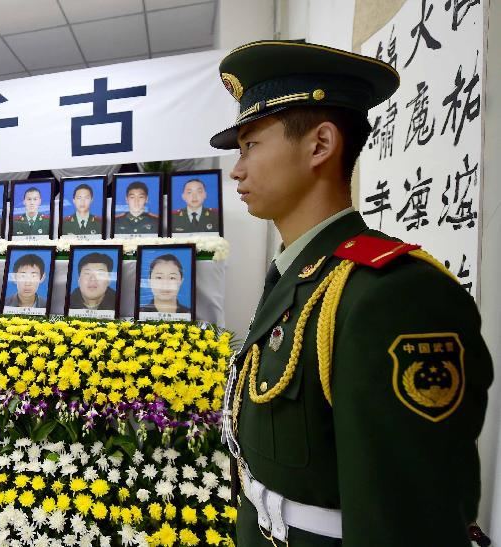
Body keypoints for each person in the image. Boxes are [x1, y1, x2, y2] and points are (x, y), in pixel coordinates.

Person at [214, 41, 492, 547]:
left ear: (320, 145)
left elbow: (408, 520)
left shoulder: (394, 294)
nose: (237, 169)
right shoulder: (301, 275)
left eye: (250, 145)